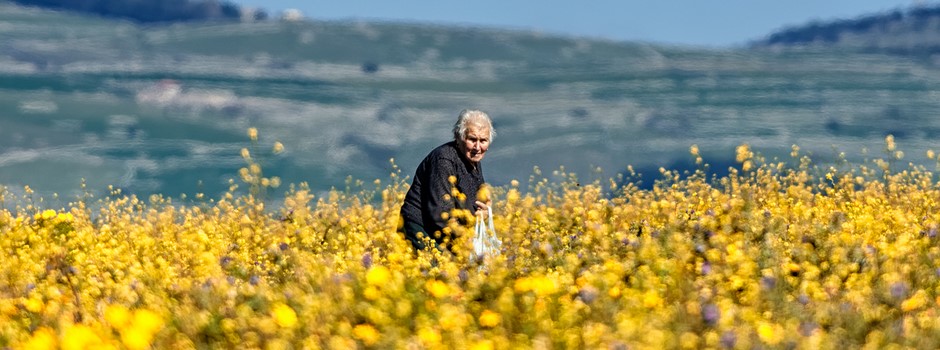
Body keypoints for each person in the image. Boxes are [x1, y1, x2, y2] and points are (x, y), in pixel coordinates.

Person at [400, 109, 495, 253]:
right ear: (459, 137)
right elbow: (440, 214)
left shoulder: (473, 161)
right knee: (439, 273)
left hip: (447, 232)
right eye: (472, 139)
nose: (477, 147)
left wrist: (485, 213)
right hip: (422, 230)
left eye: (483, 141)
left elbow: (471, 204)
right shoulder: (444, 160)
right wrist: (465, 243)